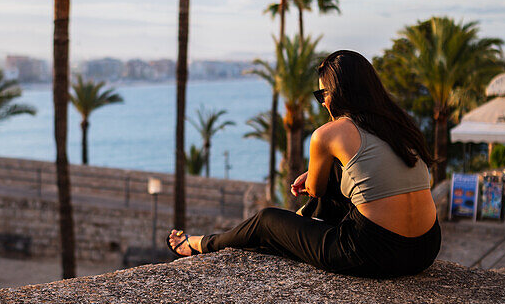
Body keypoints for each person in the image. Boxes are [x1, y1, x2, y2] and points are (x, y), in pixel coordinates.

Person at [167, 49, 440, 279]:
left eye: (323, 95)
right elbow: (372, 170)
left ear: (337, 94)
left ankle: (200, 244)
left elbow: (317, 190)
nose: (323, 104)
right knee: (335, 175)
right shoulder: (400, 126)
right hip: (426, 248)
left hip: (374, 254)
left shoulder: (328, 134)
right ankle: (301, 224)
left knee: (267, 220)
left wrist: (311, 180)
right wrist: (316, 174)